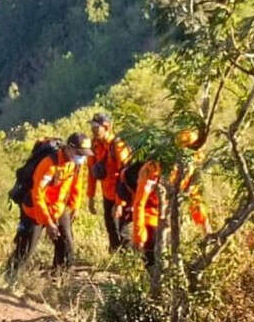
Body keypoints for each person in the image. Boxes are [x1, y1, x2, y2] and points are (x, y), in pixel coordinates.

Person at [7, 133, 93, 273]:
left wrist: (75, 206)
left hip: (58, 208)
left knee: (67, 246)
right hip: (35, 211)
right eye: (79, 153)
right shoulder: (48, 164)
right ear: (69, 149)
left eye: (84, 154)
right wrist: (48, 223)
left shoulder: (76, 164)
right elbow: (38, 195)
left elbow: (77, 185)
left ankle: (60, 279)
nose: (82, 157)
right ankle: (10, 279)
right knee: (26, 250)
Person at [131, 128, 209, 268]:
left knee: (170, 261)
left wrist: (204, 224)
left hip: (171, 219)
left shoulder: (189, 169)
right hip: (151, 218)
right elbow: (139, 203)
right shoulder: (152, 168)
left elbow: (194, 197)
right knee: (153, 261)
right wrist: (139, 235)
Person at [87, 112, 132, 253]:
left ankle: (129, 258)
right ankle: (115, 255)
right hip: (107, 193)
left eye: (96, 127)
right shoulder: (95, 145)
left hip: (122, 194)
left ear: (106, 127)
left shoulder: (118, 146)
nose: (93, 130)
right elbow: (91, 171)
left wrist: (119, 203)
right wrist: (91, 196)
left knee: (123, 228)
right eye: (92, 127)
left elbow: (125, 176)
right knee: (110, 226)